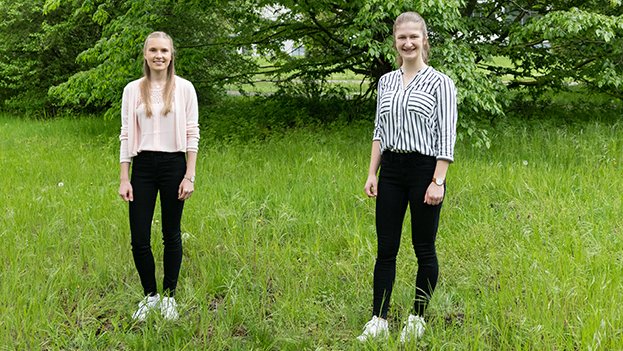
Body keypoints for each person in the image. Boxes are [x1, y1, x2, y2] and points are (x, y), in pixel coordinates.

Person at [358, 12, 457, 342]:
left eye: (414, 36)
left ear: (424, 39)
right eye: (402, 38)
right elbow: (379, 130)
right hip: (391, 171)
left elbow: (446, 136)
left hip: (424, 171)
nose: (408, 42)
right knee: (386, 248)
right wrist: (372, 172)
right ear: (395, 42)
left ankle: (418, 317)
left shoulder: (441, 84)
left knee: (424, 248)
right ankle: (379, 319)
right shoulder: (386, 82)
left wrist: (438, 181)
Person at [118, 31, 200, 321]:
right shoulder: (132, 90)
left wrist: (189, 174)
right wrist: (124, 178)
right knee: (139, 237)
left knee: (171, 233)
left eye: (164, 50)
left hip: (173, 165)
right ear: (145, 54)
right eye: (153, 50)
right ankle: (150, 296)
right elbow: (126, 134)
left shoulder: (185, 89)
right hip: (142, 168)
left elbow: (192, 133)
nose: (158, 55)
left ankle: (169, 297)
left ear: (171, 54)